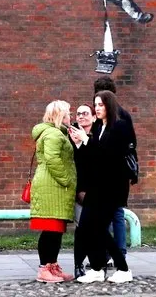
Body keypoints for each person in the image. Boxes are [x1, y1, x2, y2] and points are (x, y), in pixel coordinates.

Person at [70, 91, 134, 283]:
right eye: (95, 105)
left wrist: (87, 140)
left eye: (101, 105)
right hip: (96, 187)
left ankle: (123, 269)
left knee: (97, 227)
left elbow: (111, 157)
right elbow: (93, 158)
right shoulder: (98, 127)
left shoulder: (120, 127)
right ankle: (97, 268)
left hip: (112, 188)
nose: (97, 108)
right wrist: (80, 144)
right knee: (88, 227)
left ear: (109, 106)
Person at [93, 76, 138, 268]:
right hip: (121, 174)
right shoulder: (125, 114)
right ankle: (119, 252)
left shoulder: (106, 117)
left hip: (108, 174)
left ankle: (109, 253)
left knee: (106, 215)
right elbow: (132, 144)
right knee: (117, 213)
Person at [30, 100, 77, 283]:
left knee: (56, 231)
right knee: (50, 231)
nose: (70, 117)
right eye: (68, 114)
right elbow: (52, 159)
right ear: (60, 115)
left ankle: (52, 266)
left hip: (55, 188)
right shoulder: (53, 135)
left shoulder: (57, 133)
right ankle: (44, 269)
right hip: (52, 187)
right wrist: (66, 179)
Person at [70, 104, 96, 279]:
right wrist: (79, 190)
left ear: (93, 117)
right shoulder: (70, 136)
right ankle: (78, 264)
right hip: (79, 191)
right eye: (78, 114)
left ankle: (97, 264)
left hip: (98, 190)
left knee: (98, 229)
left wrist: (86, 140)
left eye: (85, 113)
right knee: (81, 229)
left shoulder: (99, 135)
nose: (81, 117)